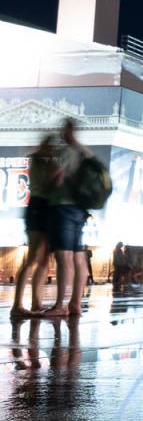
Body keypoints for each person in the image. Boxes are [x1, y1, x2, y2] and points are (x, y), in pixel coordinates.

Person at [42, 120, 96, 317]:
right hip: (81, 210)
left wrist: (48, 180)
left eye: (63, 130)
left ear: (68, 131)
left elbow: (57, 178)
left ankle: (59, 305)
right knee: (79, 256)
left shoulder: (66, 152)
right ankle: (75, 304)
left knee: (63, 256)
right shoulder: (86, 152)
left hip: (64, 206)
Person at [11, 135, 59, 316]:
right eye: (50, 145)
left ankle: (36, 303)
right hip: (38, 207)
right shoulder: (38, 159)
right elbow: (46, 184)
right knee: (32, 258)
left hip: (44, 208)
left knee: (44, 260)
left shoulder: (44, 160)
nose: (53, 148)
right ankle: (17, 306)